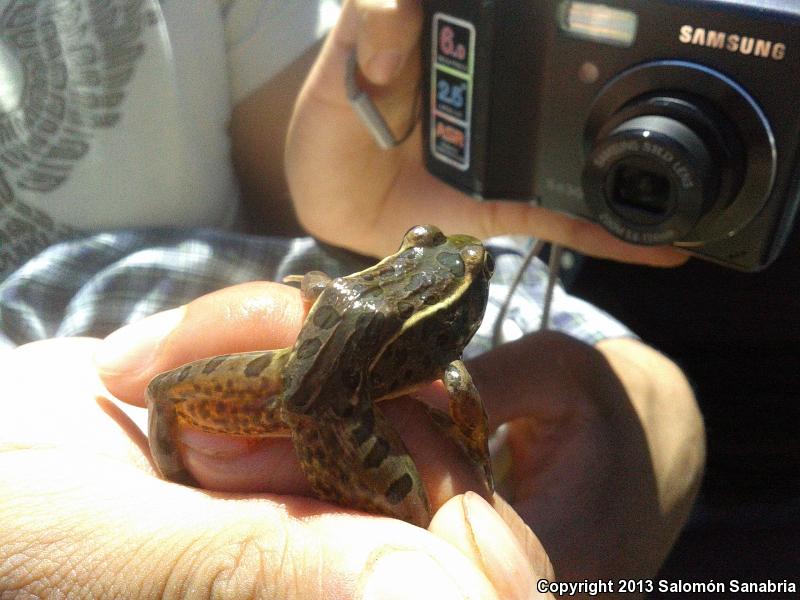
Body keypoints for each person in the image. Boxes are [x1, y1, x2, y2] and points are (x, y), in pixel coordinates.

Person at [0, 1, 705, 597]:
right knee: (406, 507)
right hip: (338, 406)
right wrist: (476, 452)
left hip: (282, 379)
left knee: (168, 391)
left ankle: (176, 461)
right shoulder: (447, 350)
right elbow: (458, 386)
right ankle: (181, 472)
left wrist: (331, 206)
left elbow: (317, 286)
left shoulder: (336, 276)